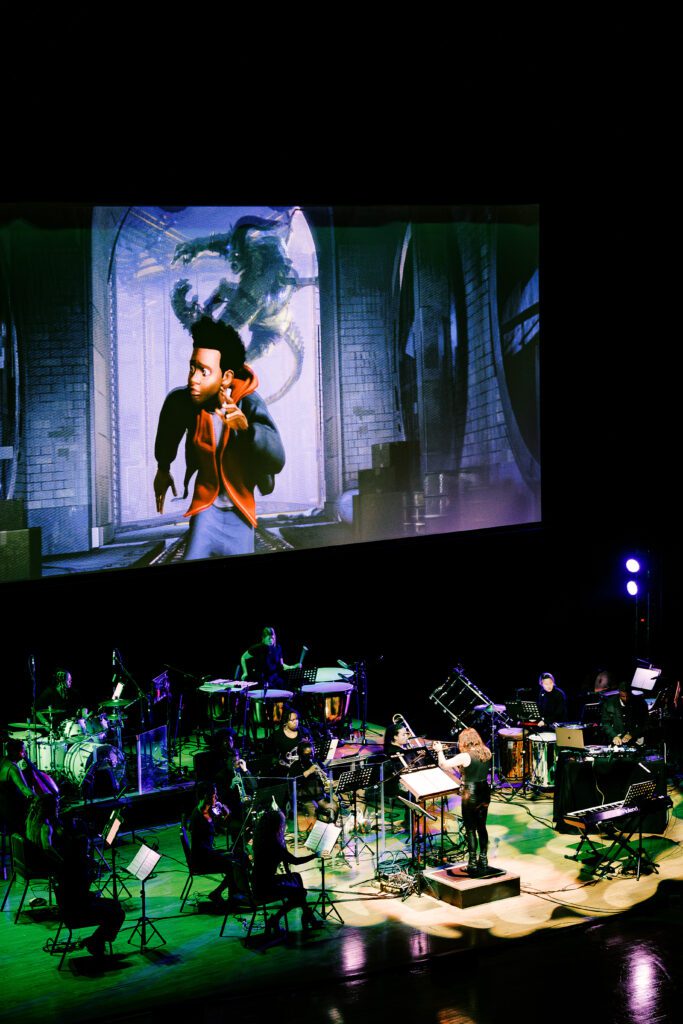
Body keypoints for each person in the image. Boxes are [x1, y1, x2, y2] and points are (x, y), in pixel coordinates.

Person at [153, 316, 285, 560]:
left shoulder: (248, 403)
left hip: (240, 508)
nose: (193, 379)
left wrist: (247, 430)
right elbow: (170, 423)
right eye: (192, 367)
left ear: (225, 377)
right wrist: (163, 468)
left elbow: (277, 458)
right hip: (206, 507)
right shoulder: (186, 403)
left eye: (204, 372)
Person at [25, 792, 125, 959]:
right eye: (56, 806)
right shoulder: (71, 868)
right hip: (76, 908)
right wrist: (72, 865)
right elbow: (47, 848)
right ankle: (96, 941)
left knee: (113, 905)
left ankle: (96, 941)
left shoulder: (33, 820)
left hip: (69, 900)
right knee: (117, 911)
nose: (59, 809)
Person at [251, 807, 322, 935]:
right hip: (265, 887)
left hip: (258, 882)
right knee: (299, 894)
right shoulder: (274, 845)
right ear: (277, 826)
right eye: (283, 824)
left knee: (296, 877)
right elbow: (295, 861)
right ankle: (275, 919)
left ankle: (308, 916)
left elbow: (286, 860)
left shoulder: (262, 840)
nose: (284, 826)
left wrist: (289, 875)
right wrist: (315, 855)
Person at [433, 728, 492, 877]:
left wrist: (439, 751)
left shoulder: (465, 756)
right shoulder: (486, 751)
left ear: (464, 741)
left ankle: (472, 863)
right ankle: (483, 860)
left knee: (471, 829)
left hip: (470, 793)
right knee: (482, 827)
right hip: (484, 791)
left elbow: (443, 765)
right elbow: (470, 770)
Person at [188, 784, 243, 906]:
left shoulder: (206, 811)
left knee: (239, 855)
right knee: (232, 864)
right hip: (201, 858)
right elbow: (202, 848)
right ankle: (233, 896)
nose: (217, 798)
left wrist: (225, 813)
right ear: (205, 796)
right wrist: (222, 854)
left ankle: (228, 893)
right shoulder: (198, 817)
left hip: (207, 853)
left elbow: (220, 828)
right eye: (214, 795)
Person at [287, 740, 339, 828]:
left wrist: (327, 780)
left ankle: (329, 829)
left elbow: (326, 774)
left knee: (334, 807)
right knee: (313, 812)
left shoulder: (316, 762)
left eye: (311, 754)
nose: (310, 757)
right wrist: (309, 772)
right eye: (307, 755)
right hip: (305, 795)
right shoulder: (295, 766)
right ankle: (313, 833)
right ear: (300, 754)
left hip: (318, 794)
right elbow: (293, 781)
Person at [0, 739, 37, 834]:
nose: (24, 753)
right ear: (14, 752)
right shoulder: (12, 768)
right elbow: (24, 788)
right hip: (10, 812)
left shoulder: (2, 761)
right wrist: (39, 799)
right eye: (22, 751)